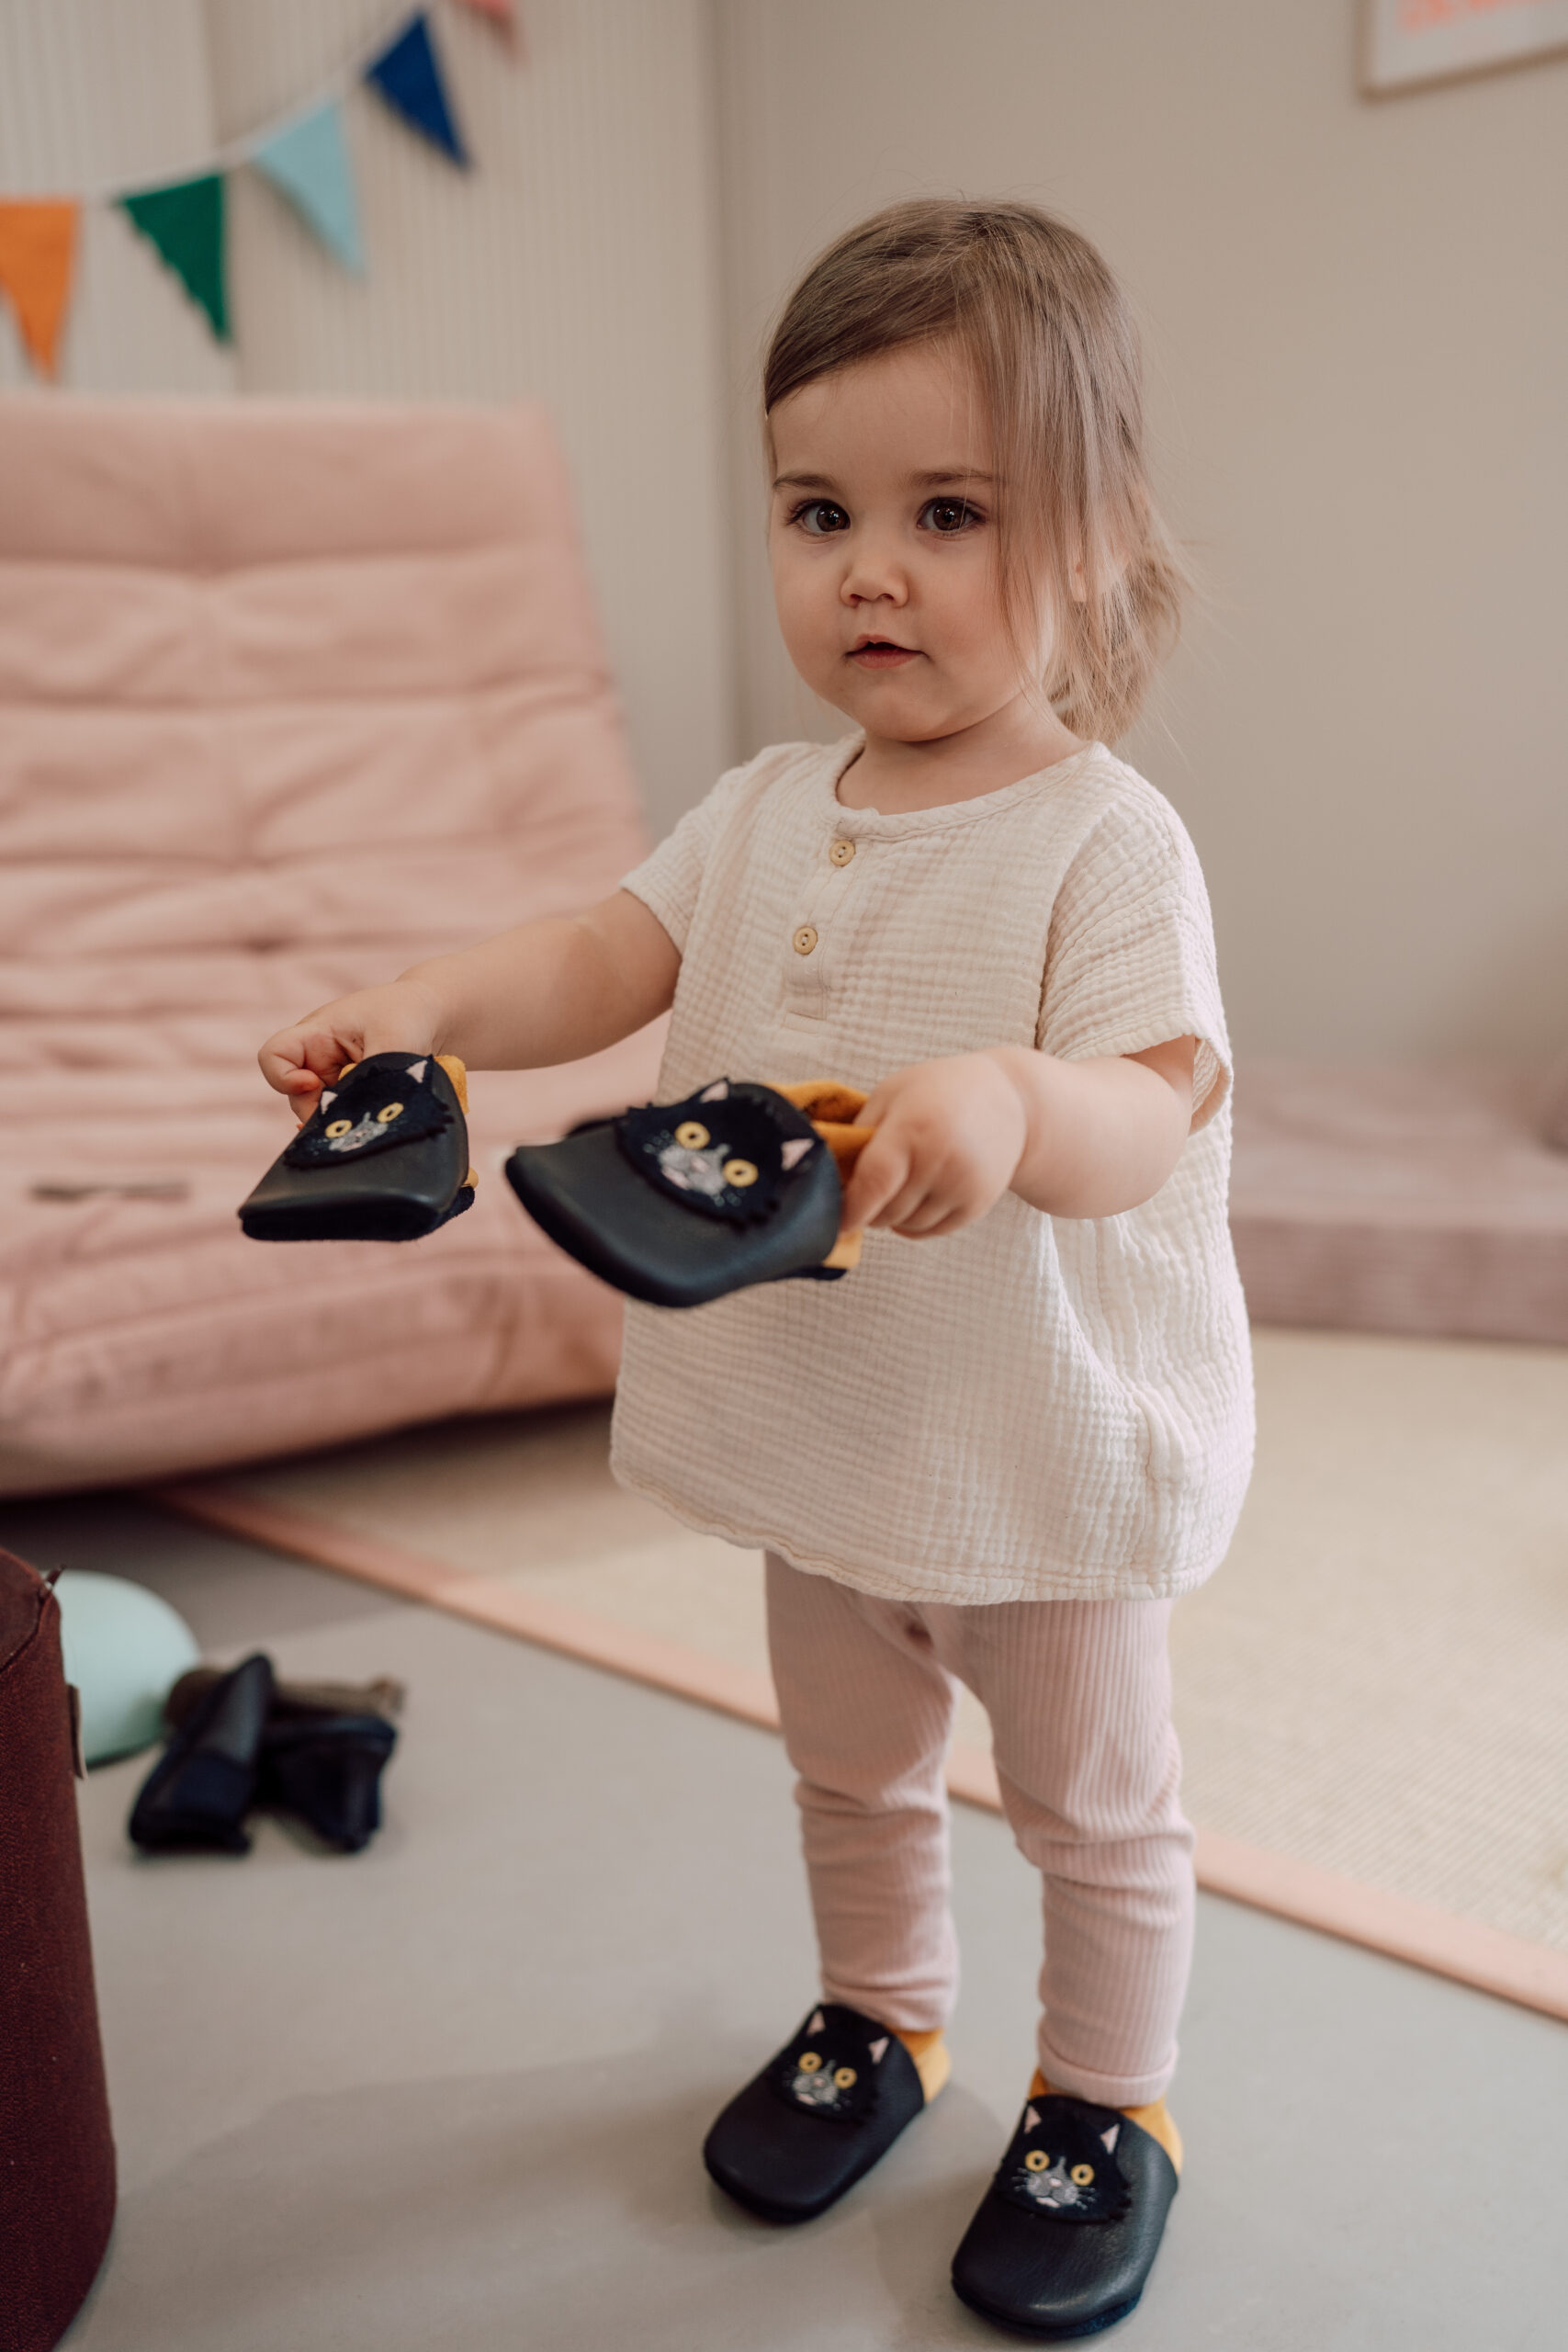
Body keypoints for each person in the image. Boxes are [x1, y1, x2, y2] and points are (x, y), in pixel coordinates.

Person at [258, 197, 1254, 2339]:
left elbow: (1153, 1103)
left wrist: (1012, 1100)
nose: (868, 569)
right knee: (847, 1765)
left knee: (1092, 1810)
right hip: (828, 1436)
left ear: (1090, 540)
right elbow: (596, 955)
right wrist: (434, 1005)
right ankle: (877, 2014)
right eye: (819, 511)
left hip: (1037, 1464)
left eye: (947, 512)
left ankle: (1105, 2099)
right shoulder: (757, 809)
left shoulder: (1103, 841)